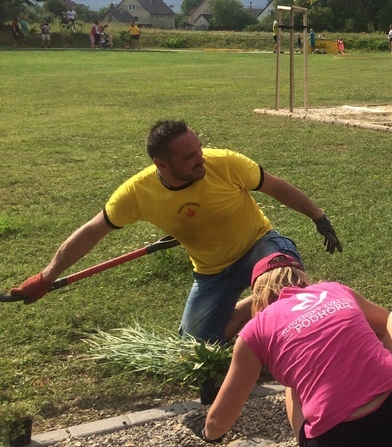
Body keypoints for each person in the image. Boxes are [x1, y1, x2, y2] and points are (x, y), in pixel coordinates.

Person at [9, 120, 342, 343]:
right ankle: (253, 303)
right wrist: (46, 276)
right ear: (161, 164)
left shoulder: (224, 162)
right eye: (189, 157)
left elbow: (276, 187)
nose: (201, 159)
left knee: (283, 283)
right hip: (211, 271)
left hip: (258, 245)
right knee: (198, 344)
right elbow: (92, 232)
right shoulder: (138, 193)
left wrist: (318, 217)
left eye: (199, 149)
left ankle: (281, 316)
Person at [186, 252, 392, 447]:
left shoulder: (255, 331)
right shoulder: (333, 290)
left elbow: (220, 421)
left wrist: (208, 431)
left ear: (257, 296)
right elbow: (387, 325)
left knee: (295, 385)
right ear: (301, 277)